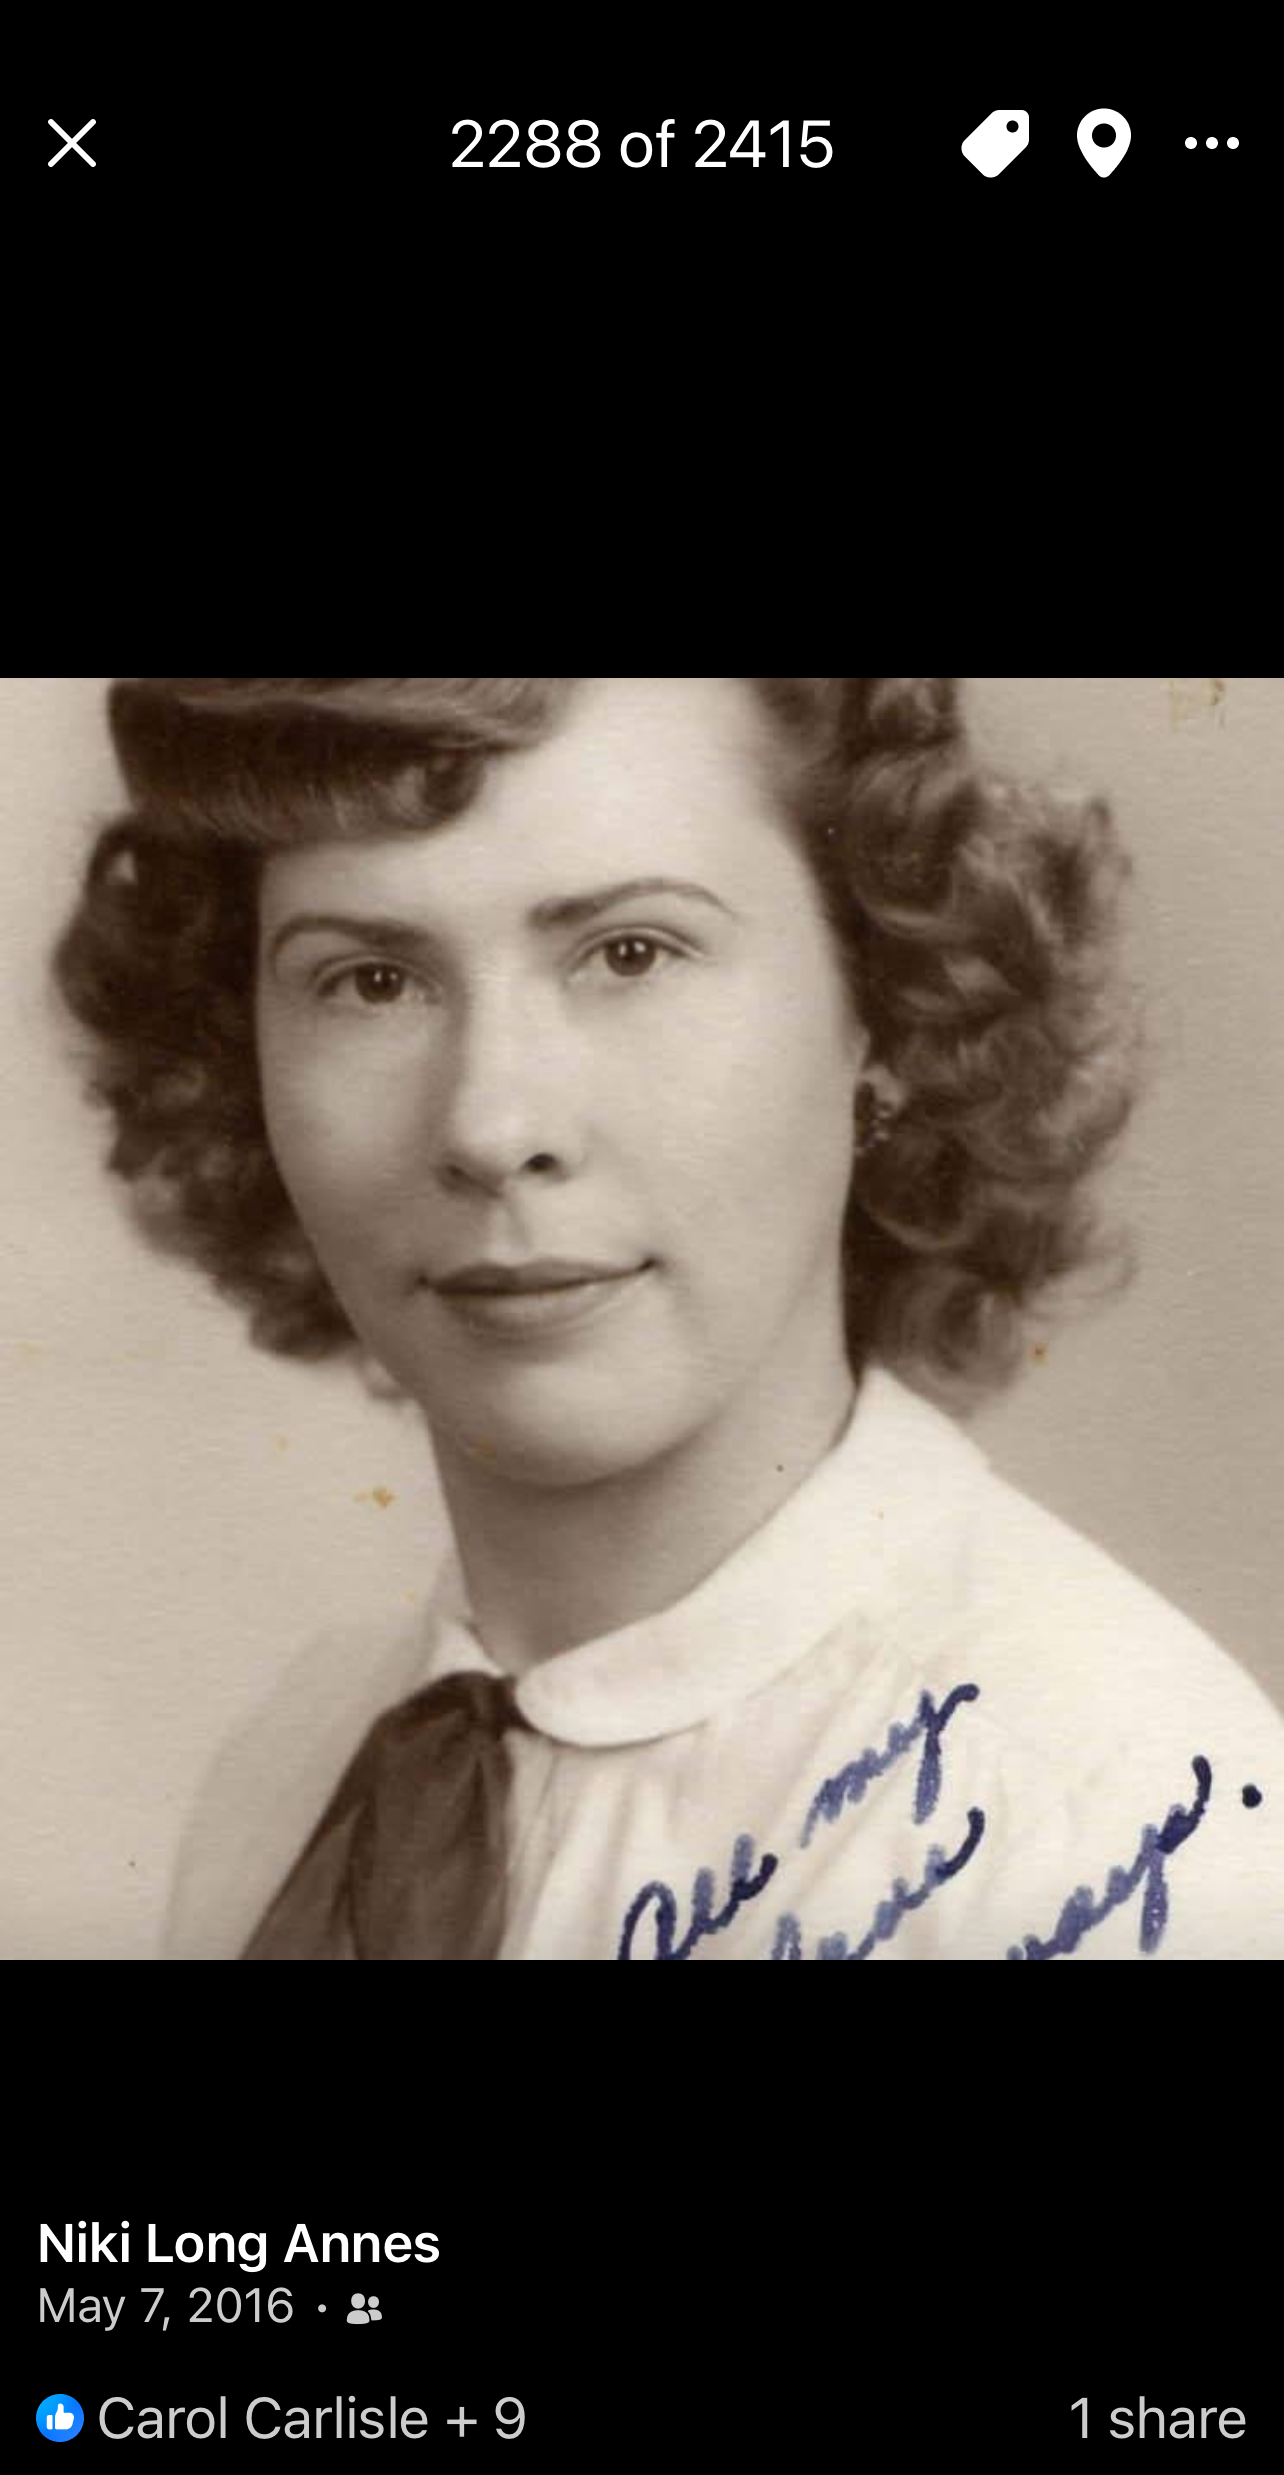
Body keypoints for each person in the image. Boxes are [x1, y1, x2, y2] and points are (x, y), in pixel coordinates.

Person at [53, 676, 1283, 1961]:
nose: (491, 1125)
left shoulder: (1109, 1830)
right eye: (370, 982)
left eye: (631, 954)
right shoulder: (289, 1774)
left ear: (883, 1015)